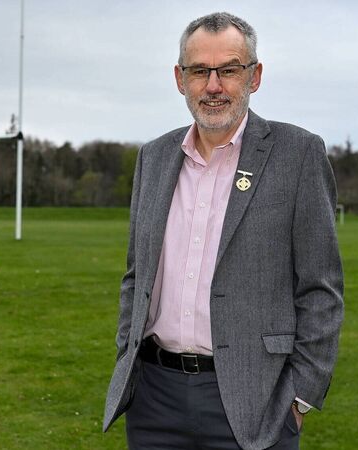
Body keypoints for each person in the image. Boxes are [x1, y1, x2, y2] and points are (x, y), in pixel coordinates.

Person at [102, 12, 344, 450]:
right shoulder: (154, 158)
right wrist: (127, 353)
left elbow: (321, 289)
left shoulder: (298, 154)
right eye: (199, 71)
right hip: (154, 400)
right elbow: (136, 276)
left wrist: (301, 396)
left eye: (229, 70)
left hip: (256, 402)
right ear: (180, 79)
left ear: (255, 76)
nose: (213, 86)